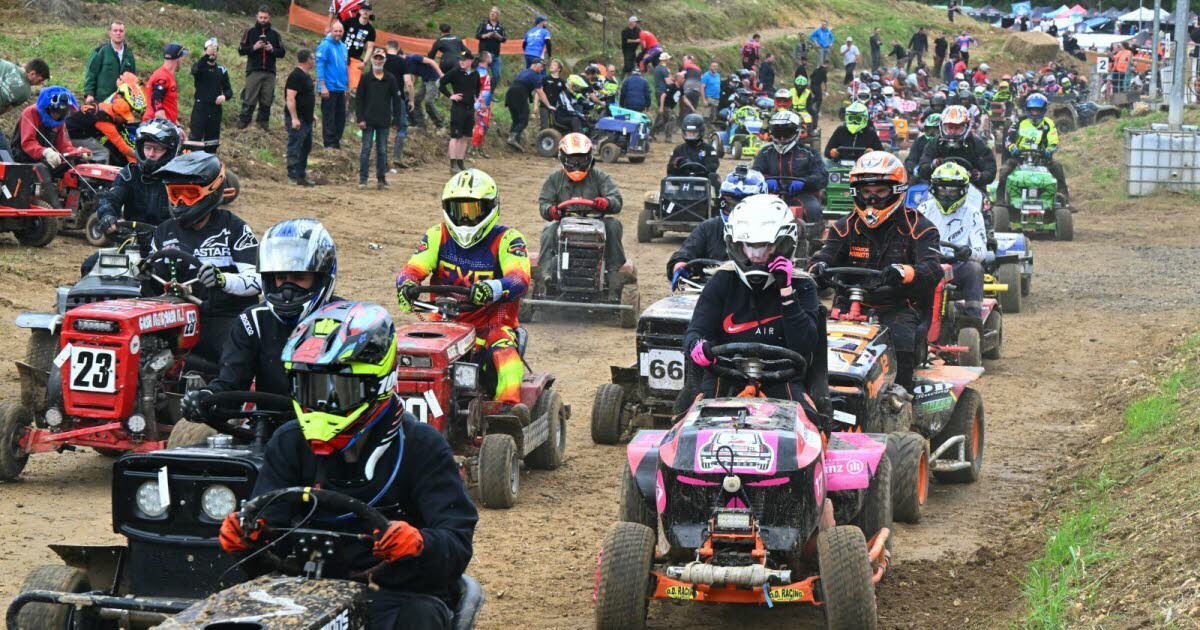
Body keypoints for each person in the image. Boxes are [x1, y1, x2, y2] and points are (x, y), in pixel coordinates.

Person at [220, 300, 477, 630]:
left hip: (398, 593)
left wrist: (420, 544)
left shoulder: (422, 446)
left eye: (338, 390)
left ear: (377, 385)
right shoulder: (288, 442)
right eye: (310, 388)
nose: (321, 404)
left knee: (420, 619)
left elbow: (455, 544)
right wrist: (249, 536)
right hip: (304, 588)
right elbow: (269, 533)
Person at [396, 169, 531, 420]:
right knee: (400, 351)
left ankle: (506, 413)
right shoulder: (437, 235)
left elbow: (520, 278)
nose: (465, 219)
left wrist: (492, 289)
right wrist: (406, 283)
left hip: (491, 326)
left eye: (473, 210)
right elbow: (414, 267)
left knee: (506, 356)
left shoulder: (508, 239)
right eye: (459, 211)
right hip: (443, 323)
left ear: (491, 207)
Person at [181, 218, 339, 421]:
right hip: (268, 431)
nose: (287, 291)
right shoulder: (252, 321)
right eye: (281, 279)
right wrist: (207, 398)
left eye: (299, 278)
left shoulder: (343, 320)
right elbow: (231, 385)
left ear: (321, 277)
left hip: (330, 433)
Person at [808, 151, 940, 390]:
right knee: (809, 339)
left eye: (880, 193)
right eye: (866, 193)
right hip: (848, 307)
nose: (872, 200)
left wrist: (905, 272)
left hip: (897, 307)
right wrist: (818, 268)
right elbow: (824, 256)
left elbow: (932, 268)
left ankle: (902, 398)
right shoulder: (843, 227)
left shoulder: (919, 227)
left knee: (900, 339)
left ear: (897, 191)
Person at [684, 195, 822, 401]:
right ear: (736, 245)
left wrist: (786, 291)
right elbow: (695, 332)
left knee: (812, 421)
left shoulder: (802, 285)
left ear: (783, 245)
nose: (756, 255)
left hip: (782, 379)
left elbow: (804, 346)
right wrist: (697, 345)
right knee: (687, 418)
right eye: (749, 246)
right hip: (725, 375)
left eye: (766, 246)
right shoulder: (722, 280)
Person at [148, 152, 260, 365]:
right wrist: (142, 275)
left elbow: (257, 280)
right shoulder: (163, 232)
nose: (180, 202)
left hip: (223, 316)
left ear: (211, 192)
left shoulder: (234, 228)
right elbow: (152, 279)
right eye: (175, 194)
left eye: (189, 194)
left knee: (234, 360)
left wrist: (223, 280)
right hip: (174, 318)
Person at [537, 133, 624, 291]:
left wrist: (607, 202)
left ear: (589, 157)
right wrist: (552, 210)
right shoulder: (554, 179)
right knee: (549, 231)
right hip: (566, 223)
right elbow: (544, 203)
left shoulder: (600, 177)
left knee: (613, 225)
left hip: (597, 222)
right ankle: (547, 274)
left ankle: (612, 272)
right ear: (563, 158)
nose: (576, 164)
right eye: (572, 159)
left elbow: (617, 200)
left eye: (581, 159)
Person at [666, 165, 769, 284]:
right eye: (731, 205)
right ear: (721, 202)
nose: (736, 212)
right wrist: (679, 264)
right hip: (711, 292)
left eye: (744, 207)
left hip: (758, 294)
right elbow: (685, 253)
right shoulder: (709, 228)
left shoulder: (773, 232)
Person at [917, 162, 986, 323]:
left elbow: (981, 251)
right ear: (934, 189)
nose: (947, 195)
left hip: (956, 266)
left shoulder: (973, 214)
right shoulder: (923, 210)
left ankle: (972, 319)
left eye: (952, 191)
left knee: (974, 269)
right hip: (927, 264)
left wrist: (968, 252)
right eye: (942, 189)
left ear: (962, 191)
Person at [93, 120, 182, 236]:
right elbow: (110, 199)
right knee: (97, 255)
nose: (151, 154)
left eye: (158, 149)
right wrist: (107, 216)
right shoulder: (130, 173)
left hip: (170, 242)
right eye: (147, 147)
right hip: (133, 240)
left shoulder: (180, 178)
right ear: (140, 147)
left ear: (170, 150)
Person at [752, 109, 828, 224]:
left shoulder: (810, 153)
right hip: (769, 196)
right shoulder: (765, 152)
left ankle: (812, 239)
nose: (782, 138)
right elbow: (755, 174)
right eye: (778, 133)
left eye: (786, 133)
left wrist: (804, 182)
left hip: (803, 195)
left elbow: (822, 176)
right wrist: (766, 181)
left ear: (796, 132)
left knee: (812, 210)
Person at [11, 86, 82, 206]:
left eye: (60, 114)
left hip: (44, 159)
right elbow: (27, 143)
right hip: (22, 158)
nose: (57, 116)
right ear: (48, 107)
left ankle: (78, 206)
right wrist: (46, 152)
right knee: (41, 169)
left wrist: (78, 152)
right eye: (55, 112)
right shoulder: (31, 113)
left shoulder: (59, 121)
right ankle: (55, 209)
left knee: (74, 167)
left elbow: (62, 146)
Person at [998, 92, 1068, 202]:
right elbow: (1008, 139)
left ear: (1043, 110)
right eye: (1032, 110)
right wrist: (1012, 147)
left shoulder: (1049, 124)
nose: (1034, 113)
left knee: (1057, 167)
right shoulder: (1019, 122)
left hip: (1042, 157)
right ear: (1027, 109)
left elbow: (1054, 142)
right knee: (1004, 169)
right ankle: (1000, 199)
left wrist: (1049, 150)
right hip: (1019, 156)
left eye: (1037, 110)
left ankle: (1064, 199)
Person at [65, 72, 143, 165]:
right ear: (117, 115)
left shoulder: (105, 106)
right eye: (124, 117)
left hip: (74, 128)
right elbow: (122, 147)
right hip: (72, 134)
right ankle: (95, 178)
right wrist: (140, 157)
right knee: (103, 153)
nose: (126, 120)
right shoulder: (104, 121)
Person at [917, 104, 995, 189]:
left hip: (971, 189)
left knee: (985, 200)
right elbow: (921, 169)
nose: (953, 132)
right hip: (939, 189)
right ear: (942, 127)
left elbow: (990, 170)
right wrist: (933, 165)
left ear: (967, 127)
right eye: (950, 128)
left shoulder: (976, 143)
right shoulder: (935, 143)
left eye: (957, 128)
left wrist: (979, 176)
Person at [357, 48, 402, 189]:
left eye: (380, 58)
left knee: (382, 150)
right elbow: (359, 99)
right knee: (366, 149)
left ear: (384, 60)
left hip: (384, 120)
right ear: (371, 60)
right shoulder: (365, 78)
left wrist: (396, 120)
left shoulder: (391, 78)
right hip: (368, 120)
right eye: (375, 58)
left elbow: (397, 99)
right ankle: (363, 179)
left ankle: (381, 179)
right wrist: (360, 118)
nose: (378, 60)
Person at [237, 6, 285, 131]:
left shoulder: (275, 34)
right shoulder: (250, 32)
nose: (263, 20)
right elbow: (241, 50)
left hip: (270, 72)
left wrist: (272, 49)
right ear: (257, 17)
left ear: (269, 18)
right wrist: (254, 47)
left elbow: (282, 52)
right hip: (254, 70)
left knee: (267, 99)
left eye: (265, 17)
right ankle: (243, 123)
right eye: (261, 17)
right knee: (249, 98)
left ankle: (262, 125)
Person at [188, 39, 234, 154]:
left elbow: (229, 90)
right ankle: (190, 160)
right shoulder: (200, 66)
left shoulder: (222, 70)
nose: (213, 53)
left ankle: (209, 161)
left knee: (212, 140)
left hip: (215, 109)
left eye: (215, 51)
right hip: (200, 107)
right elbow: (195, 70)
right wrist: (206, 56)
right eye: (210, 50)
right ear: (205, 51)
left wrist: (225, 96)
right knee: (195, 137)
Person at [439, 51, 482, 174]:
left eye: (464, 59)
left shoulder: (475, 74)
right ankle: (453, 164)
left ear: (470, 61)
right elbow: (441, 83)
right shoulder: (455, 72)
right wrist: (450, 95)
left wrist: (477, 99)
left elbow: (478, 89)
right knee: (455, 136)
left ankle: (460, 162)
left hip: (470, 108)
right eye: (460, 60)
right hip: (458, 108)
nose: (462, 62)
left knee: (465, 136)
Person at [285, 49, 317, 186]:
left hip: (307, 119)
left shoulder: (307, 76)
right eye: (313, 58)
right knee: (295, 147)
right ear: (308, 60)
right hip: (298, 120)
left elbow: (306, 98)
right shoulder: (295, 76)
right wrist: (294, 118)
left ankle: (301, 175)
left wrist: (312, 114)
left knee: (306, 147)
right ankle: (292, 176)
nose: (315, 61)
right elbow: (290, 98)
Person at [505, 58, 553, 151]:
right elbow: (540, 92)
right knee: (524, 119)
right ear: (535, 65)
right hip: (519, 94)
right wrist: (548, 105)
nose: (542, 69)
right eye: (541, 66)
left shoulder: (524, 72)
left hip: (510, 94)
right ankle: (512, 138)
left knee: (516, 119)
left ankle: (514, 144)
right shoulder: (534, 75)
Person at [83, 22, 136, 105]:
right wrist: (89, 94)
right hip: (102, 100)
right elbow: (91, 73)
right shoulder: (100, 51)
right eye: (115, 30)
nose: (118, 33)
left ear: (124, 33)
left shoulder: (129, 54)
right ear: (110, 33)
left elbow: (133, 77)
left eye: (121, 31)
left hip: (122, 101)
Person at [316, 22, 350, 149]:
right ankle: (329, 144)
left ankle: (336, 142)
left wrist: (347, 85)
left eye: (340, 31)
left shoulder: (343, 46)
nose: (338, 34)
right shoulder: (325, 45)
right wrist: (322, 86)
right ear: (331, 31)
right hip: (329, 88)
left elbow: (344, 67)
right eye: (336, 31)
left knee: (340, 118)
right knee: (329, 117)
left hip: (341, 88)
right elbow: (320, 65)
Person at [667, 113, 721, 188]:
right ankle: (667, 199)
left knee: (714, 177)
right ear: (684, 132)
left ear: (701, 132)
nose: (691, 135)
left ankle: (715, 199)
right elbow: (670, 170)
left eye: (694, 133)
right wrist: (676, 165)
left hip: (702, 184)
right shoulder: (679, 149)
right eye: (688, 132)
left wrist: (692, 167)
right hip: (681, 183)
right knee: (668, 178)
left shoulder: (709, 149)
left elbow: (712, 168)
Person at [144, 43, 188, 123]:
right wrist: (168, 127)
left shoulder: (166, 75)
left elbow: (167, 106)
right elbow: (156, 101)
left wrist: (177, 126)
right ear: (178, 59)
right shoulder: (162, 77)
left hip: (161, 125)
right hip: (156, 126)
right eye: (182, 57)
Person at [404, 49, 444, 130]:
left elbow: (431, 62)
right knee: (415, 100)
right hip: (425, 81)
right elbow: (416, 74)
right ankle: (421, 125)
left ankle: (440, 125)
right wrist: (412, 88)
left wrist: (441, 75)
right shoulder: (404, 65)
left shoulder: (413, 57)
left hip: (434, 79)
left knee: (428, 101)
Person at [343, 5, 379, 94]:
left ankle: (345, 106)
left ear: (371, 13)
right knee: (339, 81)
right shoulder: (349, 21)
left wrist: (365, 62)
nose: (365, 12)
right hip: (342, 55)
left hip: (355, 59)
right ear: (359, 11)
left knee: (352, 88)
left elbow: (370, 47)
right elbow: (338, 34)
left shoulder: (371, 30)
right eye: (363, 9)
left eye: (368, 10)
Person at [652, 71, 689, 143]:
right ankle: (668, 137)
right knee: (673, 118)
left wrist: (691, 106)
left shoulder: (681, 88)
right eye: (683, 78)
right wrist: (661, 107)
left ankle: (651, 133)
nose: (684, 80)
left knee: (663, 122)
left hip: (670, 107)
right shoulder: (671, 86)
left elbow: (684, 98)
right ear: (678, 79)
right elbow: (663, 96)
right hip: (666, 106)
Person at [475, 7, 507, 86]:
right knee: (482, 75)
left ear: (498, 15)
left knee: (497, 76)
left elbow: (504, 39)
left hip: (495, 54)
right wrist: (486, 35)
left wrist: (498, 36)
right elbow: (477, 35)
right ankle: (480, 92)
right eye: (491, 12)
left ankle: (490, 93)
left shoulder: (501, 26)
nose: (492, 14)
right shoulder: (484, 23)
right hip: (484, 53)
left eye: (495, 12)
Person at [470, 53, 494, 158]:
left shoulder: (484, 71)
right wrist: (482, 102)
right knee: (480, 125)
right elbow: (476, 89)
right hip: (480, 104)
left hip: (485, 103)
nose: (492, 58)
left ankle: (479, 148)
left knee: (485, 126)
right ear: (486, 59)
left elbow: (486, 88)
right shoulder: (480, 72)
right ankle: (473, 149)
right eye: (490, 57)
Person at [904, 113, 940, 179]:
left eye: (935, 130)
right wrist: (916, 170)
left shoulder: (947, 142)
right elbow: (910, 160)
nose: (931, 133)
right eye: (929, 130)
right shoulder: (920, 141)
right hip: (923, 176)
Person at [538, 59, 567, 129]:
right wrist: (535, 106)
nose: (551, 66)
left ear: (559, 69)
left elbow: (565, 96)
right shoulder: (545, 79)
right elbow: (538, 92)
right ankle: (543, 139)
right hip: (544, 106)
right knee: (545, 126)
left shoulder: (563, 82)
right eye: (551, 64)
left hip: (556, 107)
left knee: (555, 126)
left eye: (554, 65)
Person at [809, 61, 828, 125]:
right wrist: (825, 90)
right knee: (818, 98)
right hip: (816, 85)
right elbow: (825, 82)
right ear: (826, 64)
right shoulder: (824, 70)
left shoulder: (817, 69)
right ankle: (813, 107)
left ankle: (814, 107)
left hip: (813, 85)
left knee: (818, 98)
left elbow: (811, 76)